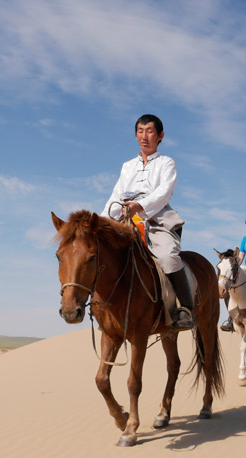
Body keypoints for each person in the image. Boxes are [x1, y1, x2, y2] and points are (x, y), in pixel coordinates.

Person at [100, 114, 195, 331]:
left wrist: (139, 205)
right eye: (140, 131)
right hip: (125, 219)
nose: (145, 136)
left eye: (150, 131)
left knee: (168, 257)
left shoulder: (166, 163)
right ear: (136, 135)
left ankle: (185, 308)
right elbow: (116, 195)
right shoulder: (127, 166)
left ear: (160, 135)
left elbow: (164, 192)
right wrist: (102, 220)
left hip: (156, 219)